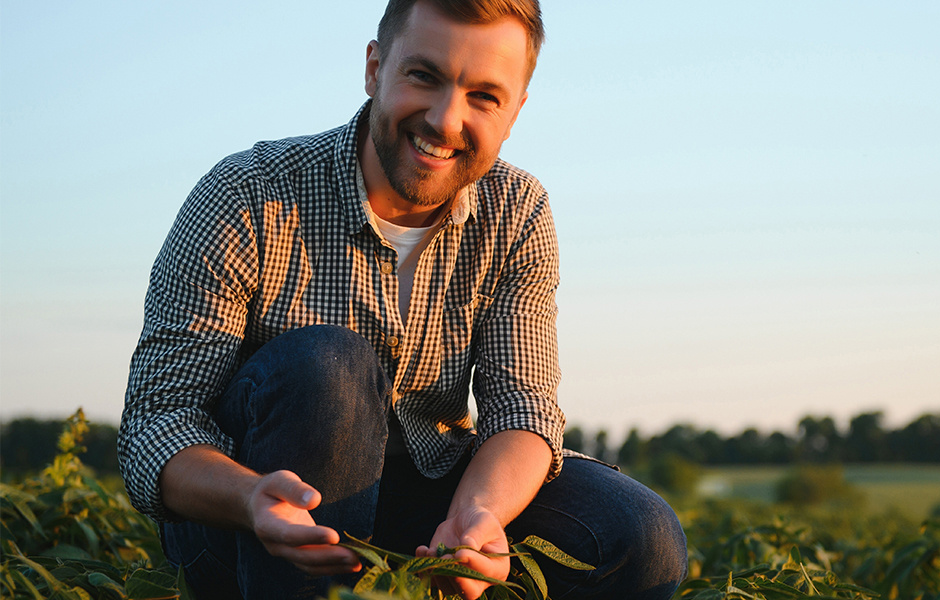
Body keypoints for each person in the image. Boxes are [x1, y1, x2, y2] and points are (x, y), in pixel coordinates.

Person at [116, 1, 688, 598]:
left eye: (484, 96)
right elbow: (159, 420)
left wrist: (478, 517)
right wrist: (248, 496)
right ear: (374, 68)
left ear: (515, 111)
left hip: (425, 489)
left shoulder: (516, 210)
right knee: (328, 367)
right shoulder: (248, 194)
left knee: (638, 536)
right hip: (251, 517)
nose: (445, 120)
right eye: (425, 76)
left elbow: (523, 406)